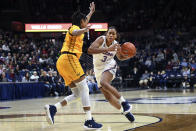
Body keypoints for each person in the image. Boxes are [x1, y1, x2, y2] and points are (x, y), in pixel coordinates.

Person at [44, 2, 102, 130]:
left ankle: (54, 108)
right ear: (81, 22)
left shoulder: (80, 25)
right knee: (85, 89)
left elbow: (84, 21)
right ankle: (88, 120)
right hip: (69, 58)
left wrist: (91, 12)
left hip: (63, 62)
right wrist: (84, 30)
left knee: (77, 94)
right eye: (84, 21)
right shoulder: (73, 28)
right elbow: (76, 31)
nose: (86, 22)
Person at [88, 26, 135, 122]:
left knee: (104, 83)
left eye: (113, 34)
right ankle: (125, 111)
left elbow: (120, 57)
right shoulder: (101, 40)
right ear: (106, 34)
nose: (111, 35)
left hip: (109, 65)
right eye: (109, 33)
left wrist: (128, 56)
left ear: (116, 36)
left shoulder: (116, 45)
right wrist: (108, 49)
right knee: (108, 97)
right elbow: (90, 50)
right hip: (97, 69)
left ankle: (125, 103)